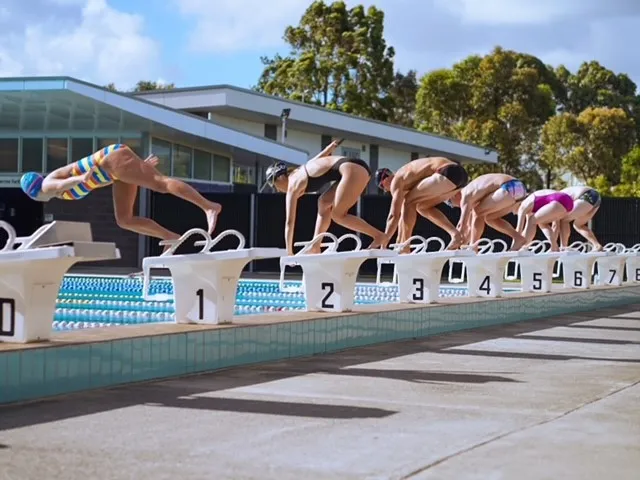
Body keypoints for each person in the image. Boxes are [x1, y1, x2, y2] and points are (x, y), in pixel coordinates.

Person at [19, 143, 222, 244]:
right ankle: (170, 237)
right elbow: (90, 182)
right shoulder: (54, 188)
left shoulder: (46, 186)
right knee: (124, 219)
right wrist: (137, 168)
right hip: (113, 173)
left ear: (34, 194)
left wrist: (81, 179)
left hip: (109, 161)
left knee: (160, 184)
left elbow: (61, 185)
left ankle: (209, 206)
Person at [265, 139, 385, 255]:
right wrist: (329, 148)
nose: (278, 190)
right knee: (323, 202)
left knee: (338, 215)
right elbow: (319, 158)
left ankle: (379, 236)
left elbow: (290, 222)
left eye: (275, 186)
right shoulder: (300, 171)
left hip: (353, 170)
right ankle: (316, 246)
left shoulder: (293, 185)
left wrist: (289, 252)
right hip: (353, 168)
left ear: (280, 178)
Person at [374, 157, 469, 250]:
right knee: (422, 207)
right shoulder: (407, 179)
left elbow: (393, 215)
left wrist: (384, 239)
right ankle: (455, 234)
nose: (386, 191)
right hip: (461, 177)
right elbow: (403, 215)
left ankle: (405, 246)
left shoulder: (397, 181)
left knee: (409, 201)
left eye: (382, 187)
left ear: (385, 180)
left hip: (446, 172)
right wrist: (398, 238)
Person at [445, 173, 528, 250]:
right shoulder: (474, 196)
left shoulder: (465, 196)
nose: (453, 206)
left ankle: (473, 246)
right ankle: (518, 238)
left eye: (449, 203)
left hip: (509, 187)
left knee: (478, 212)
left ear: (454, 195)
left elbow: (462, 225)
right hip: (520, 189)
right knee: (489, 218)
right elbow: (470, 227)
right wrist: (463, 244)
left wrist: (452, 246)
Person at [557, 186, 602, 251]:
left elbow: (555, 226)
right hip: (597, 198)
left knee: (564, 220)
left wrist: (553, 245)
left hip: (586, 195)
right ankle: (597, 245)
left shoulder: (555, 199)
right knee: (578, 225)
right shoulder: (561, 193)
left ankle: (563, 247)